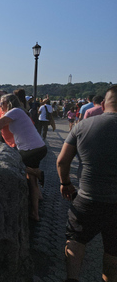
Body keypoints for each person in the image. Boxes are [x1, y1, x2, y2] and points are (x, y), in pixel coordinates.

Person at [56, 85, 117, 282]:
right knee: (113, 252)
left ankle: (72, 279)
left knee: (76, 239)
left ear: (103, 103)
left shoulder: (83, 126)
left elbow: (62, 161)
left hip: (87, 198)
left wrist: (65, 183)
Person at [0, 94, 47, 221]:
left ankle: (37, 172)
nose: (0, 106)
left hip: (31, 150)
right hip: (38, 147)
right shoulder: (19, 112)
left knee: (10, 162)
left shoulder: (14, 112)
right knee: (32, 182)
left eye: (2, 103)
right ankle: (35, 212)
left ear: (8, 103)